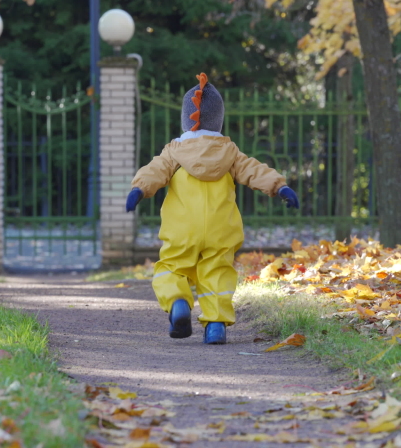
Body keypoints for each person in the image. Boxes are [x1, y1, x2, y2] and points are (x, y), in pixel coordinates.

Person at [125, 73, 299, 344]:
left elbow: (154, 171)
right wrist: (280, 187)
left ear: (186, 119)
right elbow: (254, 171)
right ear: (218, 119)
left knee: (171, 267)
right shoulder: (229, 152)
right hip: (221, 228)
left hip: (182, 229)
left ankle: (178, 303)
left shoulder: (174, 152)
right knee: (217, 272)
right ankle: (216, 325)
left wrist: (138, 190)